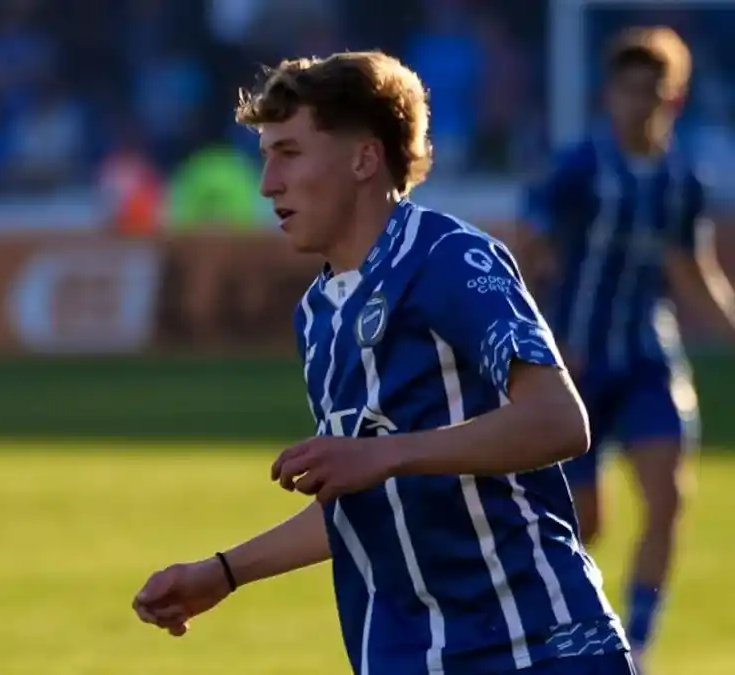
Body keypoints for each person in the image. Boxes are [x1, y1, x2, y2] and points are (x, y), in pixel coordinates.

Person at [131, 52, 636, 675]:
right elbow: (367, 503)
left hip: (537, 646)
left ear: (364, 159)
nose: (267, 182)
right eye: (265, 156)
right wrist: (225, 573)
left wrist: (384, 453)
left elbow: (559, 422)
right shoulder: (317, 314)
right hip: (404, 657)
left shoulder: (450, 259)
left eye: (288, 152)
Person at [517, 27, 735, 672]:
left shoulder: (679, 180)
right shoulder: (579, 169)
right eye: (628, 89)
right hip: (577, 366)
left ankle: (637, 644)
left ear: (676, 98)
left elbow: (691, 272)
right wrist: (534, 346)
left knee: (668, 495)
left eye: (654, 91)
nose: (640, 103)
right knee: (585, 524)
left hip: (647, 359)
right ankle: (562, 634)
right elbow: (525, 253)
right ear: (608, 94)